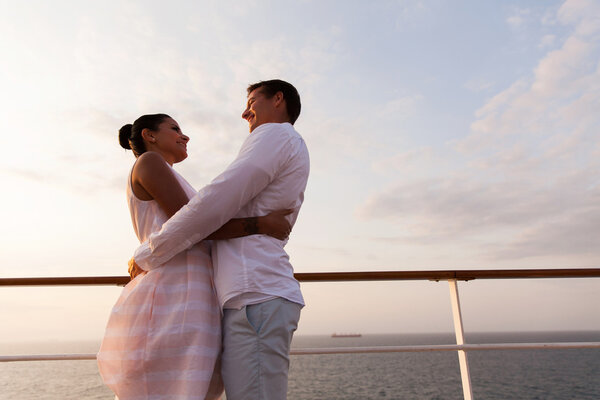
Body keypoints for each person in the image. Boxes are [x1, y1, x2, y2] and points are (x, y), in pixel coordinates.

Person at [131, 80, 310, 400]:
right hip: (248, 295)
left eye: (253, 101)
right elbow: (210, 213)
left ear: (278, 99)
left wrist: (146, 254)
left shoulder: (275, 134)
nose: (245, 112)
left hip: (254, 294)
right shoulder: (285, 142)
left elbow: (217, 201)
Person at [97, 113, 293, 400]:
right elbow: (194, 224)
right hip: (173, 292)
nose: (184, 136)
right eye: (174, 129)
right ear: (149, 136)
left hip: (191, 292)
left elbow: (198, 222)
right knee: (172, 388)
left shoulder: (169, 172)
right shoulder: (149, 162)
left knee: (188, 387)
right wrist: (260, 224)